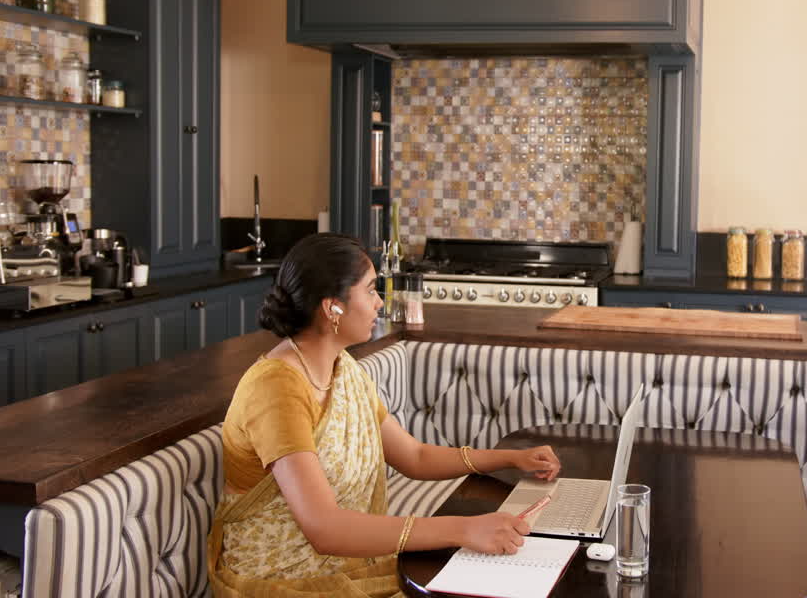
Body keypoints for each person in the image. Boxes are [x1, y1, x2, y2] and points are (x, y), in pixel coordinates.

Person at [207, 233, 561, 597]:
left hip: (343, 567)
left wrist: (510, 458)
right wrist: (464, 530)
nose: (380, 302)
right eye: (371, 290)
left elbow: (414, 456)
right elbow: (325, 528)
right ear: (333, 308)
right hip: (281, 579)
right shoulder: (277, 389)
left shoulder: (341, 368)